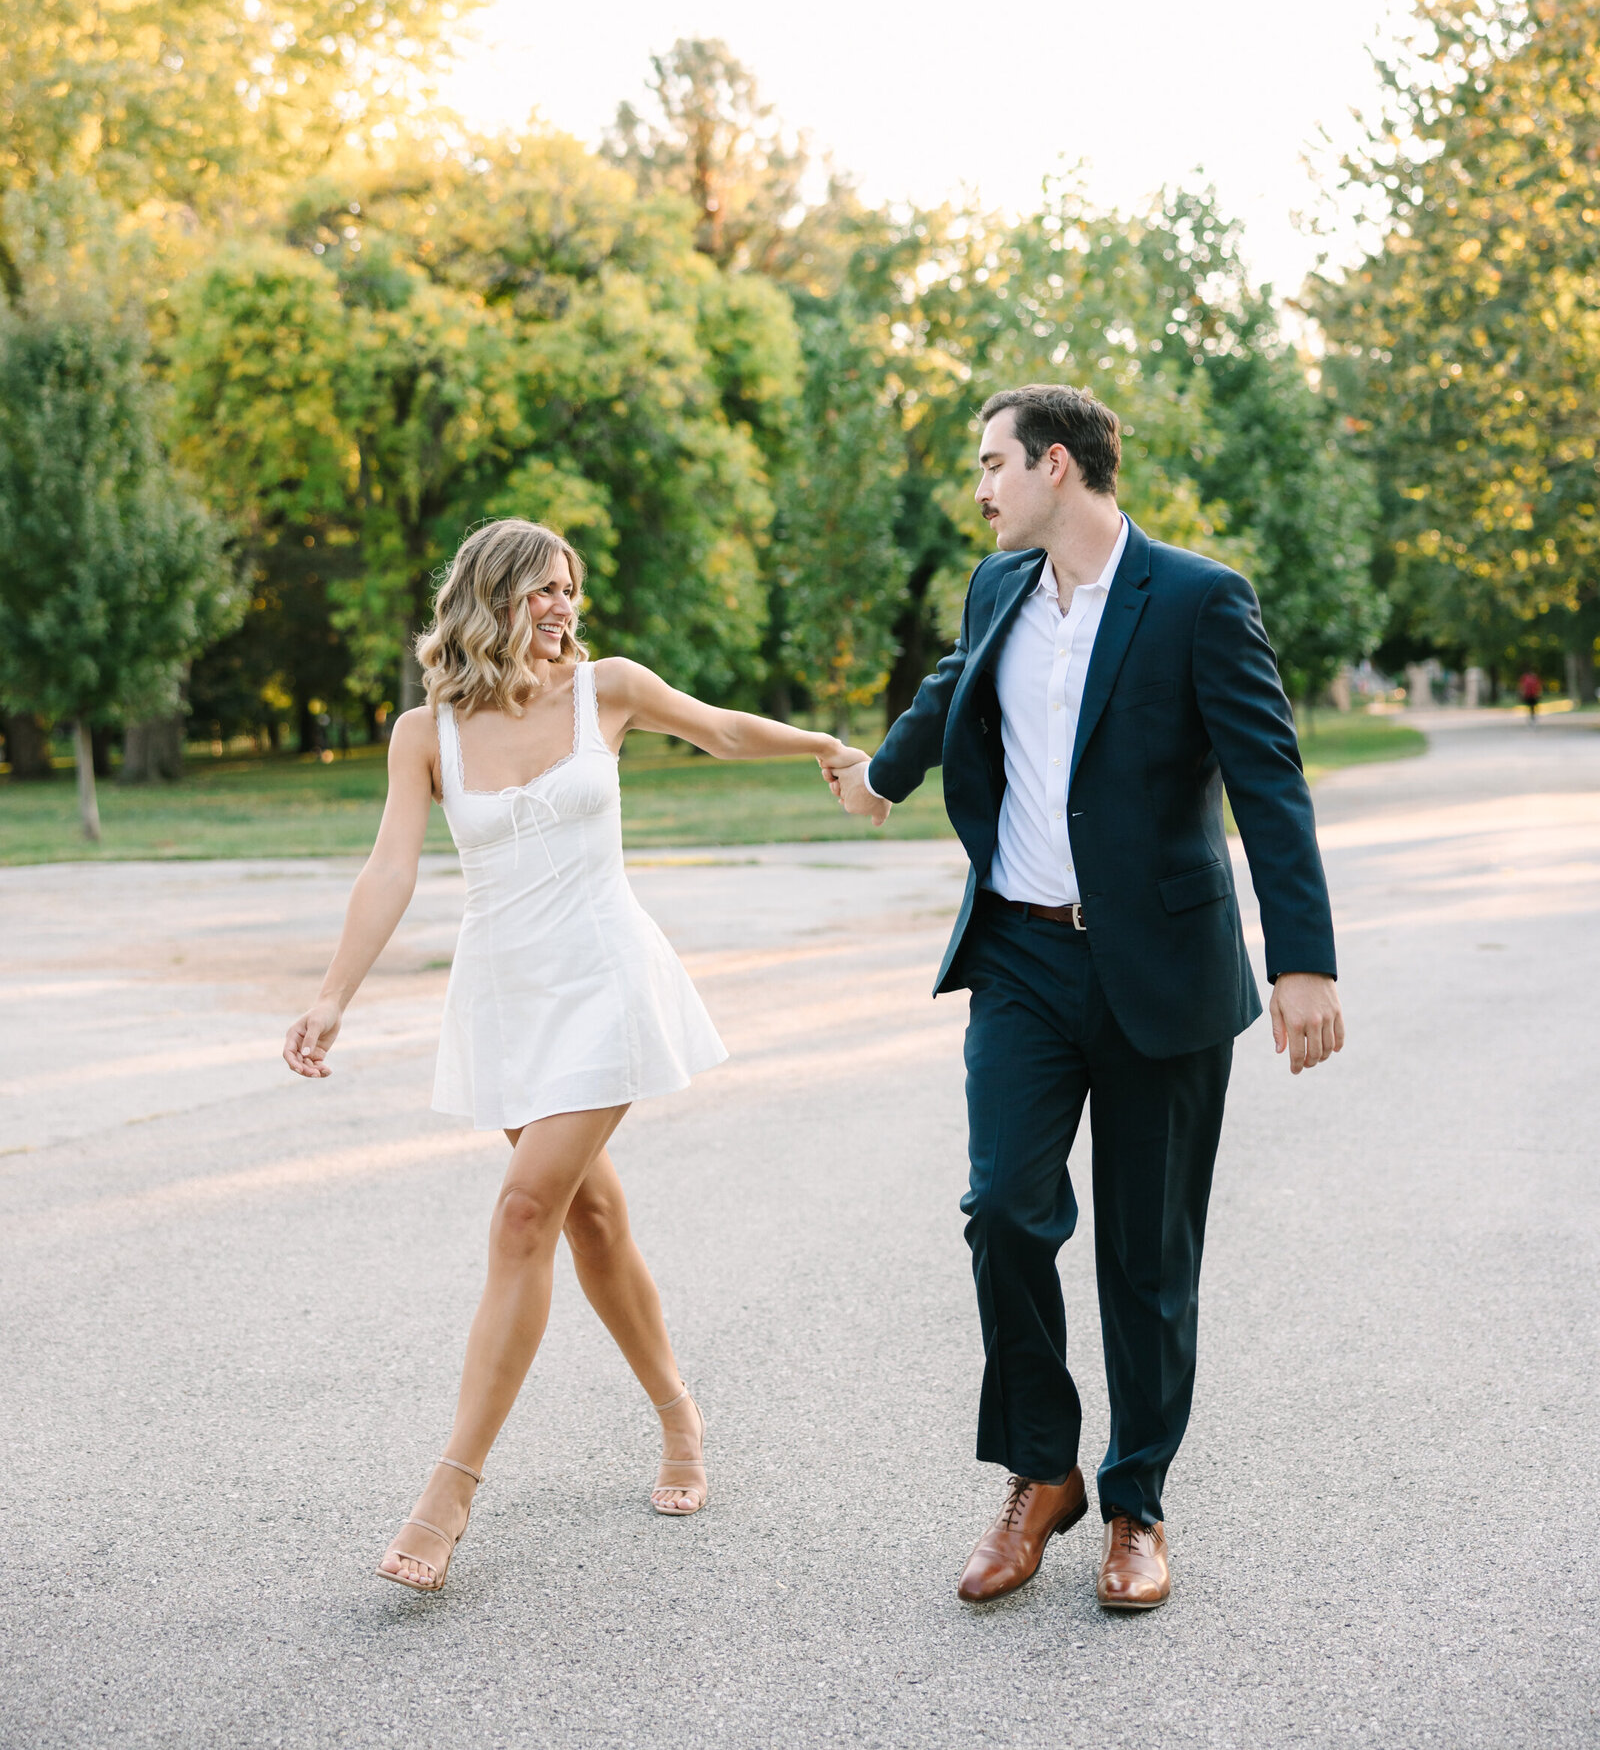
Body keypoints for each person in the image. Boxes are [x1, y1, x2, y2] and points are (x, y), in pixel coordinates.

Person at [824, 384, 1343, 1613]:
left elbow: (1267, 783)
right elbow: (958, 681)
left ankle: (1135, 1502)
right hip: (1021, 955)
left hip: (1158, 966)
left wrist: (1302, 959)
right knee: (1004, 1205)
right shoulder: (998, 584)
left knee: (1146, 1254)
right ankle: (1039, 1470)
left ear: (1057, 465)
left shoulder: (1198, 599)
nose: (980, 486)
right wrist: (884, 775)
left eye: (992, 462)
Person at [283, 517, 851, 1594]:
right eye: (542, 589)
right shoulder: (425, 732)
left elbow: (722, 730)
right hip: (505, 998)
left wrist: (821, 744)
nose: (563, 607)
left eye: (571, 589)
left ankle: (449, 1487)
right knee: (589, 1214)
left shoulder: (611, 688)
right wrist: (331, 996)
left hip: (603, 982)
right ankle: (681, 1412)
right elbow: (388, 872)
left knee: (522, 1211)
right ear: (490, 596)